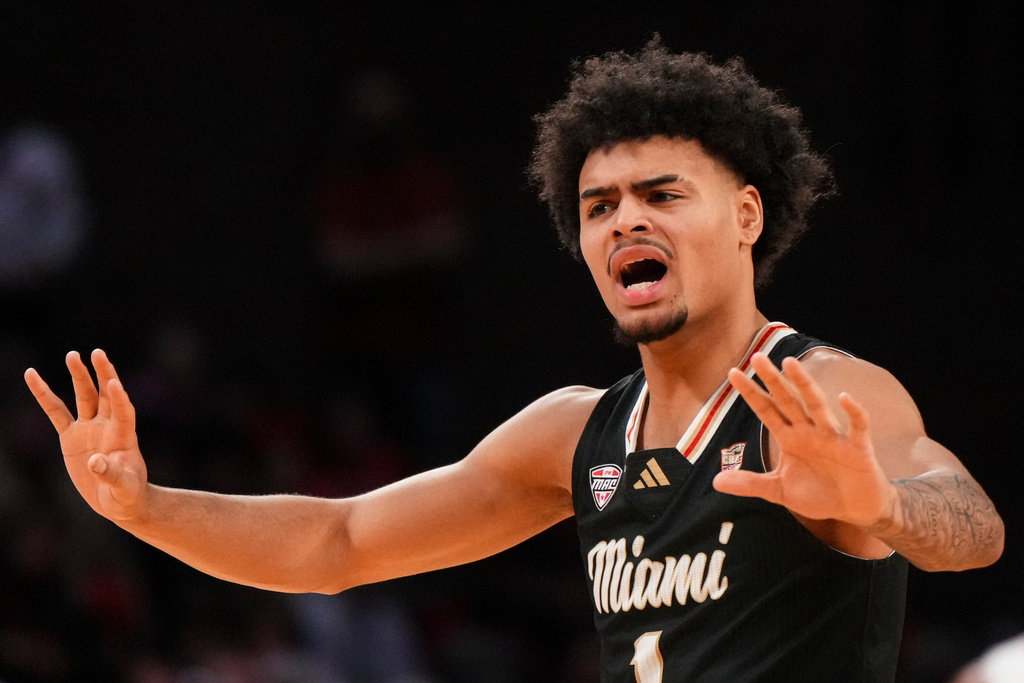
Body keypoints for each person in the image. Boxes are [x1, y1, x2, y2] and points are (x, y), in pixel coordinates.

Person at [25, 40, 1003, 681]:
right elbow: (339, 540)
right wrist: (143, 508)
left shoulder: (820, 391)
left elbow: (974, 523)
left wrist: (879, 502)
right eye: (599, 205)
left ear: (746, 214)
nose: (625, 220)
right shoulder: (574, 433)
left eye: (661, 194)